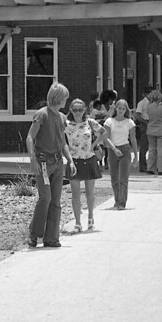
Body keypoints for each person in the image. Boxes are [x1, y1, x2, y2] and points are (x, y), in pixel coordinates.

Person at [26, 82, 75, 248]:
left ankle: (51, 237)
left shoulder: (62, 118)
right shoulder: (42, 114)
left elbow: (63, 142)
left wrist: (70, 160)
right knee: (45, 198)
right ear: (58, 98)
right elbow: (30, 137)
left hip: (58, 162)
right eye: (65, 98)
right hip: (44, 162)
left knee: (56, 200)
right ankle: (34, 234)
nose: (66, 101)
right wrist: (32, 159)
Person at [65, 98, 106, 232]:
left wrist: (94, 145)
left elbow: (104, 132)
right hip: (74, 161)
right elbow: (59, 138)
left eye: (80, 110)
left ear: (84, 110)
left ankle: (90, 218)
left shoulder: (90, 122)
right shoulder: (66, 124)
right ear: (71, 110)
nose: (78, 112)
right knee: (76, 194)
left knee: (90, 193)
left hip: (89, 159)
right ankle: (77, 222)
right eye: (75, 110)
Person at [104, 99, 138, 209]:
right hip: (113, 150)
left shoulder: (129, 122)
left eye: (123, 109)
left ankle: (122, 203)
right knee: (114, 179)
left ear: (126, 110)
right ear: (116, 108)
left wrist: (136, 156)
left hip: (125, 149)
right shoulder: (109, 121)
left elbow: (133, 139)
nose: (121, 111)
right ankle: (117, 199)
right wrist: (114, 149)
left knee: (123, 179)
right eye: (119, 108)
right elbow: (106, 138)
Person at [145, 90, 162, 176]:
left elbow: (148, 116)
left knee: (152, 149)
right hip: (161, 130)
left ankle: (150, 168)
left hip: (151, 129)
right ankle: (161, 169)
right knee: (160, 150)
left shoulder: (149, 107)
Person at [134, 86, 152, 173]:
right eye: (149, 93)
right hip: (145, 124)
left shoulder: (152, 103)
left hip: (151, 123)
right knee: (144, 145)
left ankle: (148, 164)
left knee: (149, 145)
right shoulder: (142, 103)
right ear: (145, 94)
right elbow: (137, 115)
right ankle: (142, 165)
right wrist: (145, 122)